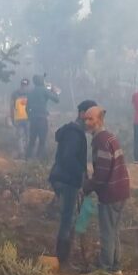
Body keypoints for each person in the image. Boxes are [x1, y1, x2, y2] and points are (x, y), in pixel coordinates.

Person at [82, 106, 130, 275]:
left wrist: (88, 185)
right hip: (121, 190)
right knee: (114, 230)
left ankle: (104, 270)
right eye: (85, 119)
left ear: (100, 119)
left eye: (91, 119)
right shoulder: (110, 136)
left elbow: (102, 172)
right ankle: (115, 268)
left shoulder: (100, 140)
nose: (87, 122)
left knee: (107, 232)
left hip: (111, 192)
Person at [49, 100, 98, 265]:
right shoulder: (75, 133)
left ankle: (62, 256)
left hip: (62, 178)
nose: (93, 121)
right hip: (67, 180)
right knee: (67, 219)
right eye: (91, 116)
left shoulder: (72, 130)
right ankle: (62, 258)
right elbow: (68, 158)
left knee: (67, 217)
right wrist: (81, 175)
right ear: (82, 113)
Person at [26, 74, 59, 158]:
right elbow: (56, 100)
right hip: (42, 119)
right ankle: (38, 160)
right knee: (42, 140)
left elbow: (27, 108)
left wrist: (30, 117)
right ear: (41, 81)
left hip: (33, 119)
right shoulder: (44, 90)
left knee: (32, 140)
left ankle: (27, 159)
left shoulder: (30, 92)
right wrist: (54, 90)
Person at [10, 78, 30, 156]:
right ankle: (27, 152)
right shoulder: (30, 93)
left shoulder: (14, 93)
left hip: (18, 118)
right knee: (28, 135)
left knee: (20, 136)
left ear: (21, 84)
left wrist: (12, 118)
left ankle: (22, 152)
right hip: (28, 118)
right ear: (28, 85)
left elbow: (11, 107)